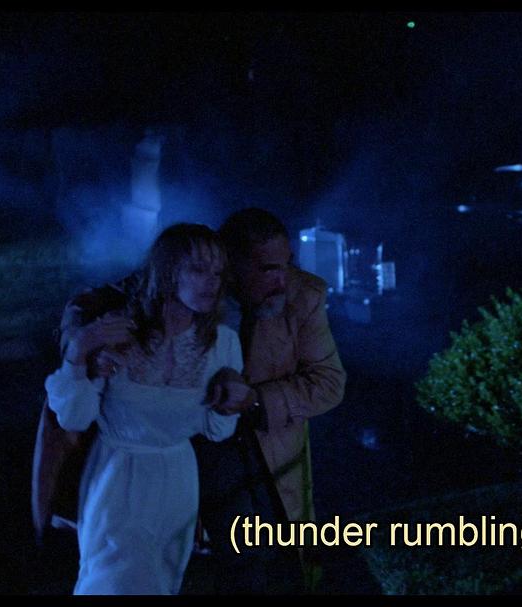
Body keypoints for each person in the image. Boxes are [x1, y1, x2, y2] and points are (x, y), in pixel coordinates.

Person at [42, 223, 247, 595]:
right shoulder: (120, 332)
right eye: (198, 269)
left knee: (162, 582)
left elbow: (219, 431)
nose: (211, 282)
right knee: (112, 581)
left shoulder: (223, 343)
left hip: (177, 481)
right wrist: (80, 352)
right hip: (117, 476)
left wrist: (231, 398)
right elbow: (74, 416)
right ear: (168, 272)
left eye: (218, 273)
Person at [192, 207, 347, 593]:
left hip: (271, 450)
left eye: (287, 264)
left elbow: (329, 382)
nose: (282, 280)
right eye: (267, 269)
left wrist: (257, 401)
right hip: (203, 452)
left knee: (281, 566)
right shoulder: (195, 291)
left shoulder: (304, 296)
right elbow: (136, 292)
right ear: (231, 267)